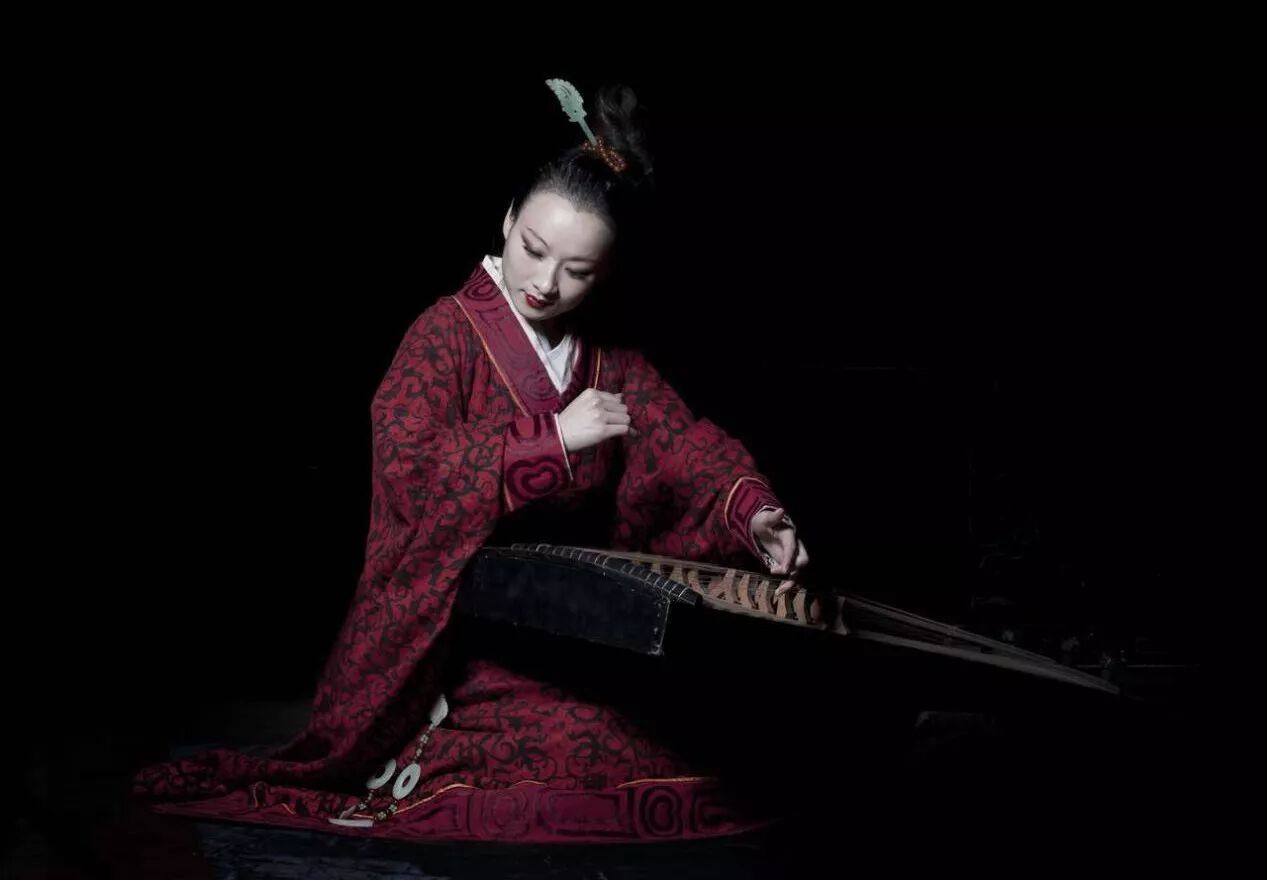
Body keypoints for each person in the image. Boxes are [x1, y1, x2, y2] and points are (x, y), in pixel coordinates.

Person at [135, 80, 809, 843]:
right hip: (455, 641)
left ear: (604, 272)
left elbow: (685, 444)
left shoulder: (605, 360)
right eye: (533, 249)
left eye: (577, 270)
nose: (545, 283)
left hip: (570, 631)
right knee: (593, 763)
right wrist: (551, 441)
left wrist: (755, 513)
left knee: (704, 746)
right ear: (507, 221)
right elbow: (409, 472)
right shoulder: (444, 335)